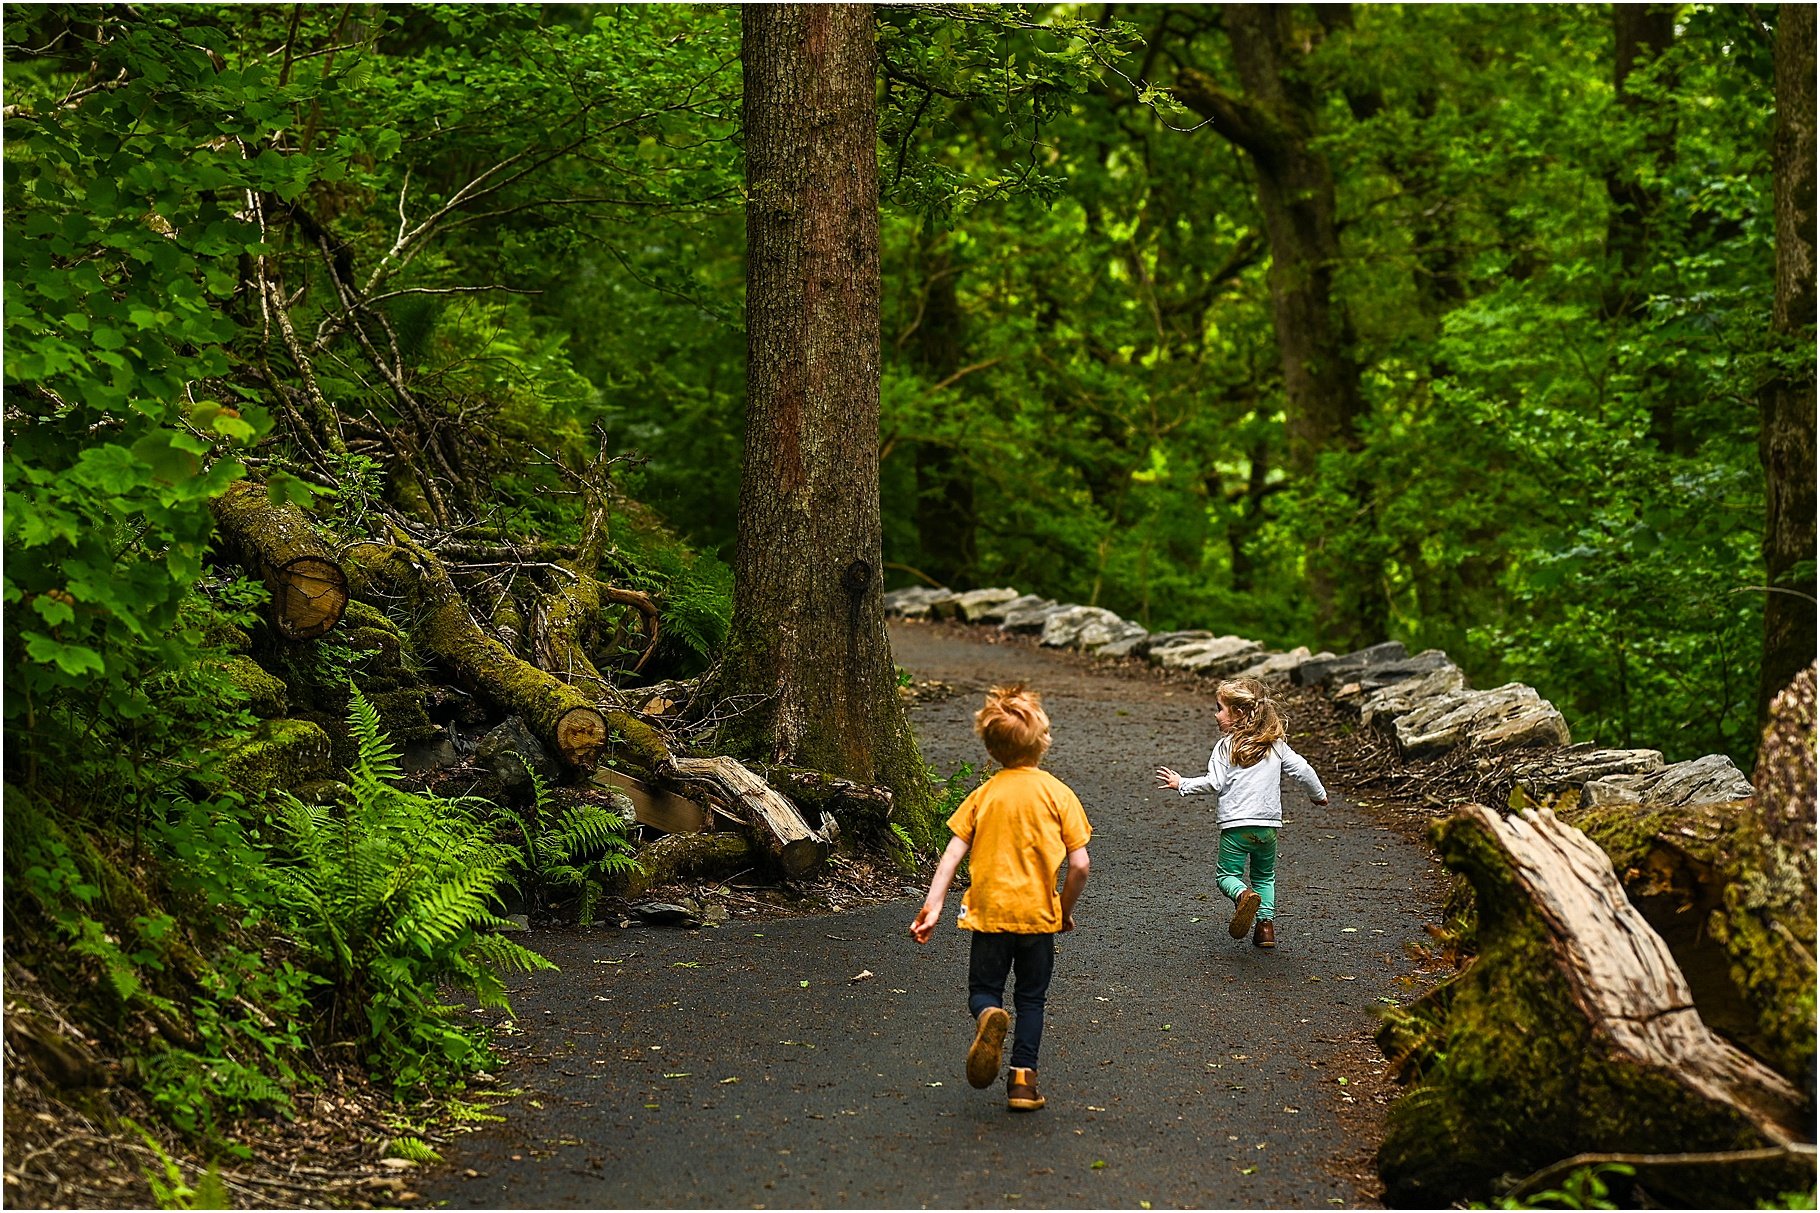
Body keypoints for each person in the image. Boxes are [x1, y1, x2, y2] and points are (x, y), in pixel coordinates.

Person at [910, 684, 1092, 1113]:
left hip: (989, 914)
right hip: (1037, 916)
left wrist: (933, 905)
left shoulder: (984, 794)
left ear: (991, 751)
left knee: (984, 990)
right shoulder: (1058, 794)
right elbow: (1080, 865)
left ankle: (988, 1015)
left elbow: (953, 852)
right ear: (1043, 741)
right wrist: (1062, 911)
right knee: (1031, 999)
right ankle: (1023, 1083)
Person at [1155, 675, 1327, 949]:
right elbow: (1303, 770)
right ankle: (1265, 929)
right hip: (1267, 828)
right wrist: (1318, 795)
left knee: (1226, 876)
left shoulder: (1226, 746)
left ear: (1238, 713)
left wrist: (1181, 783)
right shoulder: (1276, 745)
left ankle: (1242, 895)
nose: (1216, 714)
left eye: (1220, 708)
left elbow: (1214, 782)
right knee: (1264, 876)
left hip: (1236, 827)